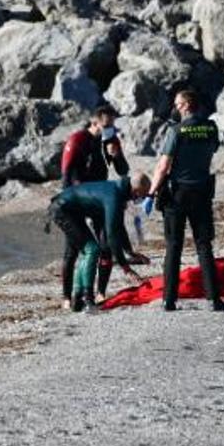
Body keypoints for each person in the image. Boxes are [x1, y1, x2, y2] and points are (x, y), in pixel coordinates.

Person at [147, 89, 224, 312]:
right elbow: (211, 151)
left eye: (177, 104)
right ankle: (214, 298)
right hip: (202, 191)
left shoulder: (176, 131)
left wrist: (152, 192)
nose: (175, 108)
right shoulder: (211, 128)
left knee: (174, 246)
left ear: (185, 106)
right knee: (204, 245)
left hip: (178, 193)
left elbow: (163, 166)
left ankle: (169, 299)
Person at [49, 172, 151, 312]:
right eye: (142, 195)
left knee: (88, 251)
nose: (141, 198)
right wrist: (126, 267)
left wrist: (130, 251)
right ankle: (88, 299)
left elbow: (119, 227)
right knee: (92, 249)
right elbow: (112, 235)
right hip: (62, 209)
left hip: (72, 210)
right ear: (135, 190)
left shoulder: (119, 192)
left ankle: (78, 298)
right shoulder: (113, 196)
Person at [58, 105, 129, 303]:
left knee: (105, 245)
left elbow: (123, 170)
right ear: (94, 122)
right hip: (78, 196)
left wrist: (116, 155)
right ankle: (66, 295)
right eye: (106, 125)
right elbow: (66, 174)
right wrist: (67, 203)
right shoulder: (78, 139)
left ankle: (100, 292)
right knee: (73, 248)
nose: (109, 129)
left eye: (112, 125)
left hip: (99, 197)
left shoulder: (111, 140)